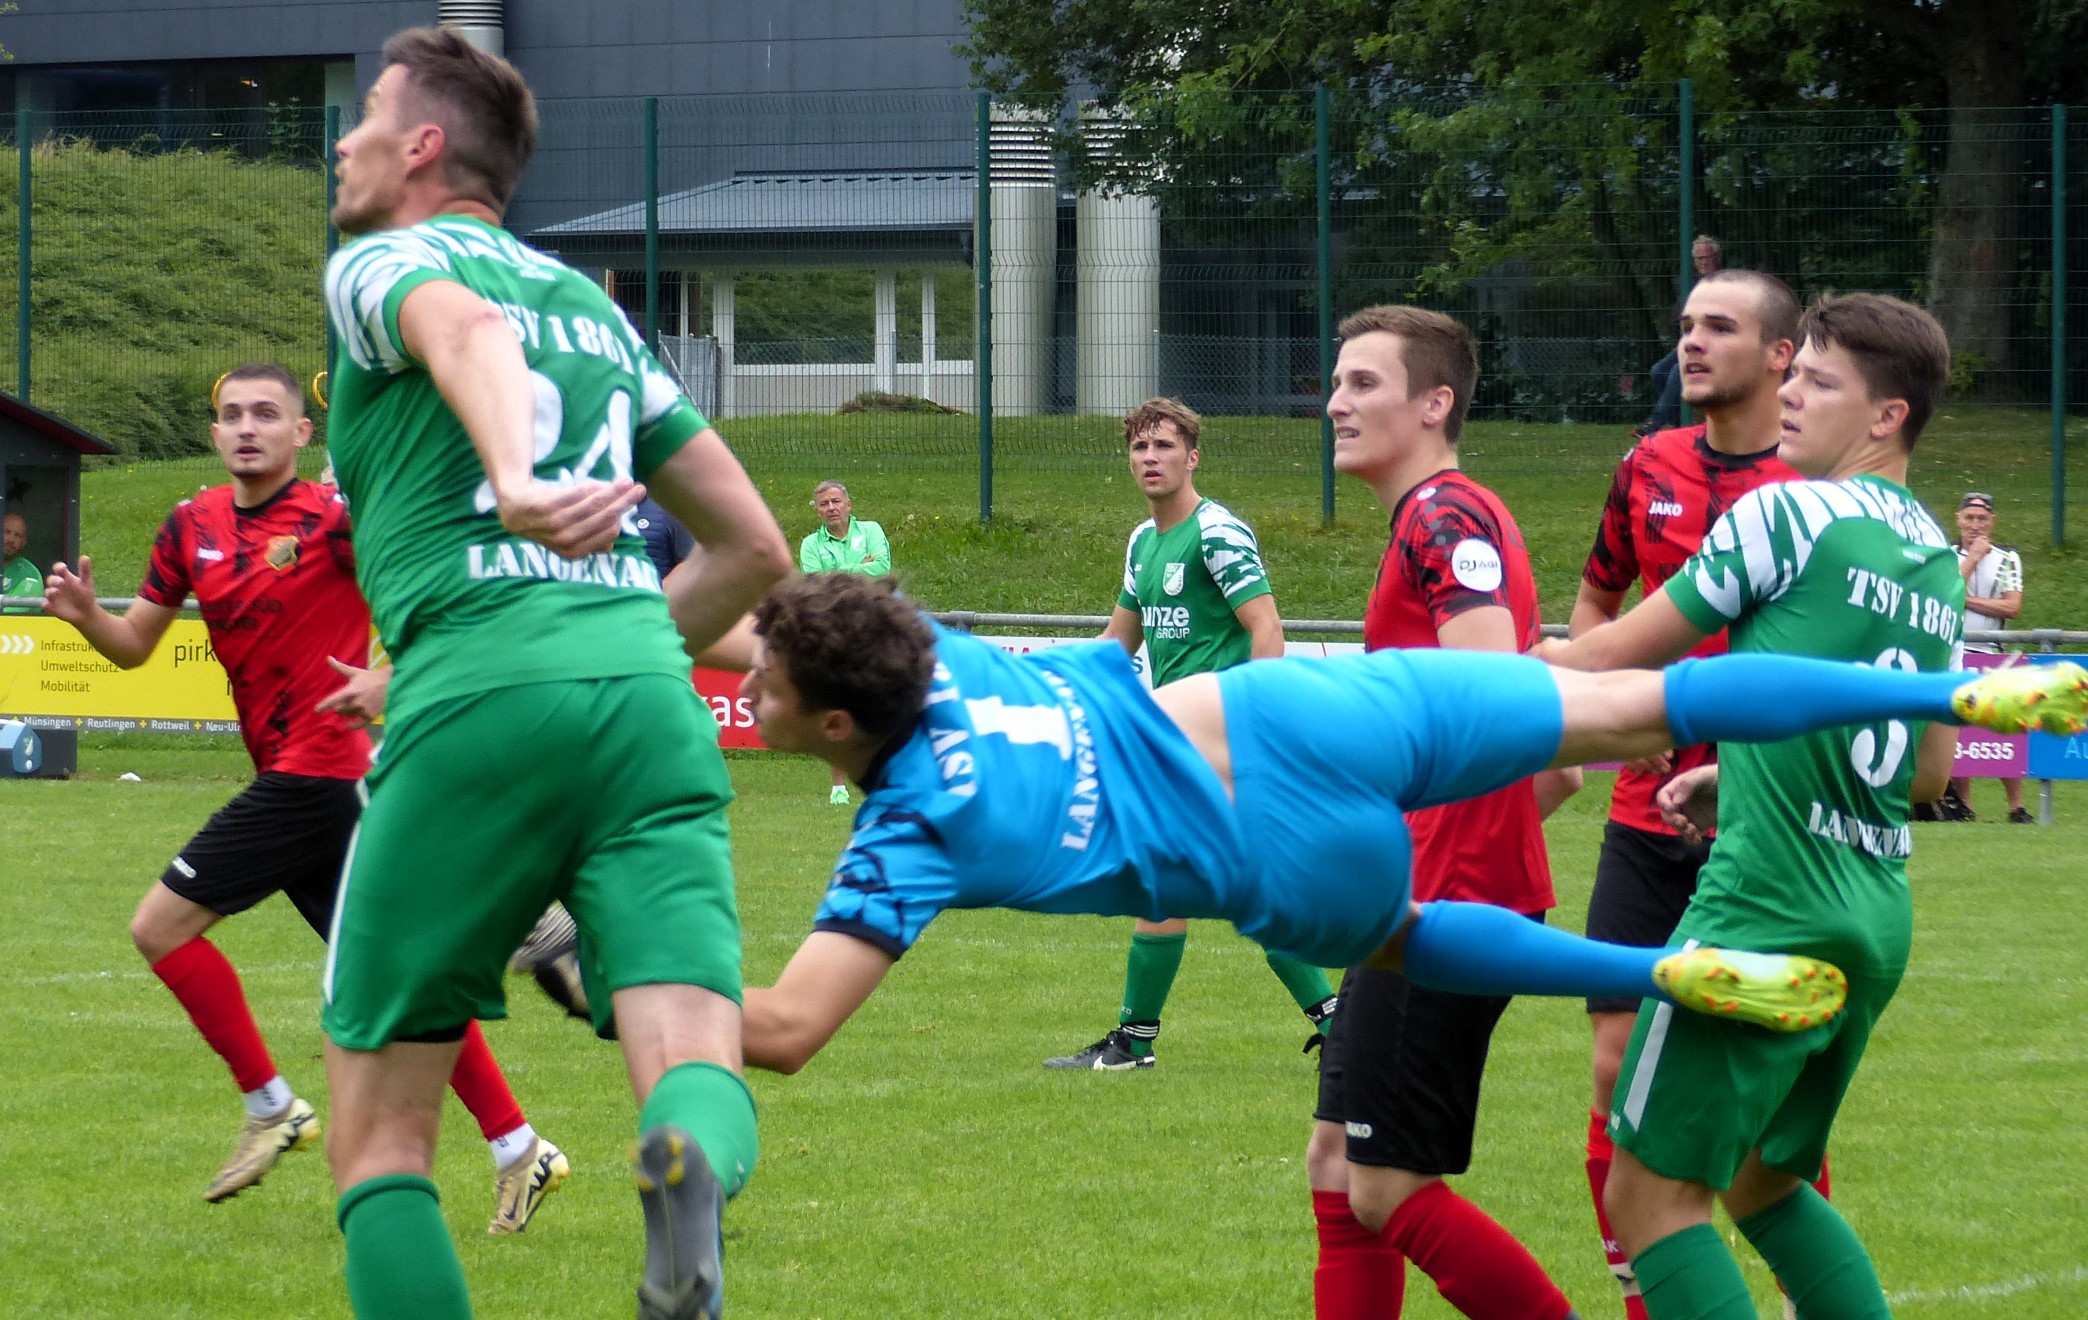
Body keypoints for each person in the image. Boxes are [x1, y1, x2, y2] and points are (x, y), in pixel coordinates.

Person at [725, 571, 2081, 1091]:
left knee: (1408, 939)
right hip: (1299, 712)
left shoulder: (905, 834)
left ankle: (1662, 972)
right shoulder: (931, 650)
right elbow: (768, 618)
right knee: (1636, 702)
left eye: (764, 691)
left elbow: (782, 1032)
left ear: (837, 725)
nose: (745, 689)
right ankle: (1950, 691)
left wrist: (626, 989)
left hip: (1267, 852)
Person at [322, 29, 791, 1320]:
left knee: (380, 1141)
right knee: (692, 1047)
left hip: (474, 688)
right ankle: (683, 1159)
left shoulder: (384, 263)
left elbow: (465, 327)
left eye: (365, 117)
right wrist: (621, 632)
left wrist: (518, 482)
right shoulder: (594, 311)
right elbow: (756, 548)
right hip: (646, 700)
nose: (344, 143)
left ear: (423, 147)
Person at [38, 363, 568, 1233]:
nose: (247, 427)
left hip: (319, 774)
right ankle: (520, 1147)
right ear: (214, 432)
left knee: (160, 927)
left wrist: (390, 675)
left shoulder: (337, 522)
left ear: (301, 433)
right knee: (403, 980)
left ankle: (274, 1105)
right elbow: (135, 645)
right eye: (232, 414)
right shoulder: (190, 525)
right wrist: (88, 615)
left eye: (266, 414)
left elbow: (455, 604)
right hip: (300, 780)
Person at [1543, 293, 1966, 1320]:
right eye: (1797, 373)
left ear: (1887, 416)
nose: (1793, 395)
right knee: (1762, 1180)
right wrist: (1742, 773)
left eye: (1821, 381)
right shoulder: (1936, 557)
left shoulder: (1785, 511)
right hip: (1873, 913)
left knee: (1647, 1199)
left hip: (1764, 905)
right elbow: (1923, 775)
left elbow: (1611, 657)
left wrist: (1451, 691)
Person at [1300, 305, 1581, 1320]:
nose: (1336, 403)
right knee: (1337, 1166)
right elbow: (1552, 763)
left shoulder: (1443, 517)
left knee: (1384, 1187)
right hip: (1430, 887)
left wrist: (1438, 846)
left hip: (1440, 902)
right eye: (1337, 382)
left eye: (1363, 383)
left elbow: (1490, 696)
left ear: (1435, 403)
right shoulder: (1447, 518)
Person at [1568, 269, 1816, 1317]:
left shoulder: (1815, 489)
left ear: (1782, 355)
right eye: (1685, 326)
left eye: (1720, 326)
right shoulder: (1646, 466)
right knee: (1614, 1063)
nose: (1692, 343)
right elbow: (1597, 600)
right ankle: (1651, 1300)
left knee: (1771, 1094)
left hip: (1767, 821)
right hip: (1642, 814)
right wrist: (1608, 712)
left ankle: (1803, 1286)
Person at [1044, 396, 1338, 1072]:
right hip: (1175, 743)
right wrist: (1046, 687)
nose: (1151, 458)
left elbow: (1266, 628)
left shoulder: (1217, 533)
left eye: (1165, 446)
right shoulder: (1142, 542)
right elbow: (1116, 644)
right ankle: (1333, 1022)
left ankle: (1135, 1042)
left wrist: (1259, 731)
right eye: (1140, 448)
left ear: (1193, 456)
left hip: (1224, 739)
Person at [797, 478, 892, 805]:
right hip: (835, 629)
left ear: (848, 505)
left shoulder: (872, 530)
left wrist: (838, 572)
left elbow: (882, 567)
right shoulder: (810, 544)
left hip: (875, 625)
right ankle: (838, 787)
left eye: (836, 501)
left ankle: (886, 778)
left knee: (880, 702)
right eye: (824, 504)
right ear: (817, 510)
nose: (831, 508)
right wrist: (858, 569)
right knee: (836, 704)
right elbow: (816, 584)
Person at [1944, 491, 2028, 822]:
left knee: (2004, 726)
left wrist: (1967, 600)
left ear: (1992, 521)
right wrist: (1974, 557)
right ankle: (1965, 804)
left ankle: (2016, 807)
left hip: (1992, 653)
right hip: (1954, 652)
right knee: (1959, 730)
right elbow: (1947, 593)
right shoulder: (1947, 556)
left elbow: (2012, 606)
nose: (1975, 525)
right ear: (1958, 519)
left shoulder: (2008, 558)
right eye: (1969, 518)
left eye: (1982, 518)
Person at [1640, 237, 1724, 434]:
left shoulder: (1725, 282)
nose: (1703, 262)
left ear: (1716, 258)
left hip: (1714, 343)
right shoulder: (1692, 283)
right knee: (1658, 371)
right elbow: (1677, 315)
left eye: (1707, 257)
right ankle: (1677, 425)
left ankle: (1657, 421)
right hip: (1692, 339)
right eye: (1698, 258)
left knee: (1678, 370)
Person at [2, 508, 38, 611]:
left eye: (17, 535)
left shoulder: (30, 575)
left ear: (23, 542)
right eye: (6, 532)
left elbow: (7, 616)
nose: (11, 540)